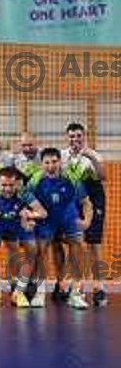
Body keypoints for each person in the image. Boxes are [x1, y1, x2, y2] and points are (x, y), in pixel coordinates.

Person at [0, 168, 47, 308]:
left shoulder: (24, 193)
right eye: (3, 185)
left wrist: (29, 214)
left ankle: (19, 291)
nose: (7, 189)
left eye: (11, 185)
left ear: (17, 183)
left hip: (16, 223)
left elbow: (43, 213)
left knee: (32, 249)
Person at [29, 148, 93, 310]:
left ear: (60, 162)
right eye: (47, 162)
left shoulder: (72, 179)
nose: (51, 166)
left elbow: (86, 202)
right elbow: (25, 201)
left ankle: (75, 294)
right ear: (42, 164)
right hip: (46, 222)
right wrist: (28, 219)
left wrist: (87, 221)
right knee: (41, 252)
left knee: (78, 248)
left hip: (69, 220)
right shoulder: (35, 181)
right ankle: (40, 293)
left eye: (54, 162)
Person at [61, 122, 107, 306]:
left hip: (94, 201)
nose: (75, 139)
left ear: (84, 136)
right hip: (73, 203)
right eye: (72, 136)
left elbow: (102, 177)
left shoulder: (93, 154)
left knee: (94, 244)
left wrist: (91, 157)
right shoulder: (62, 156)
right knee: (74, 244)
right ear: (67, 137)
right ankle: (76, 286)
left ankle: (99, 288)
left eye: (78, 135)